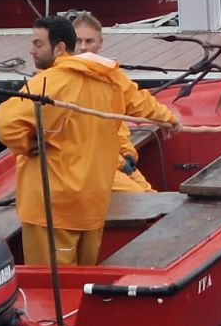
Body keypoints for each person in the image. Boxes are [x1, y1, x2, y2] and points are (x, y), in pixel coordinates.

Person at [0, 16, 178, 267]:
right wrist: (169, 119)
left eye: (38, 43)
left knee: (52, 287)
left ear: (59, 48)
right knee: (83, 276)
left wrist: (27, 144)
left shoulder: (48, 82)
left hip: (52, 208)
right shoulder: (109, 75)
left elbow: (5, 121)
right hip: (91, 204)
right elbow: (140, 101)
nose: (31, 50)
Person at [72, 12, 178, 193]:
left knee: (150, 196)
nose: (83, 47)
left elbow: (136, 102)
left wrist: (168, 119)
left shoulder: (109, 75)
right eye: (78, 41)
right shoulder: (62, 77)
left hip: (115, 160)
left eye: (89, 41)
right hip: (90, 166)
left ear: (99, 43)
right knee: (145, 202)